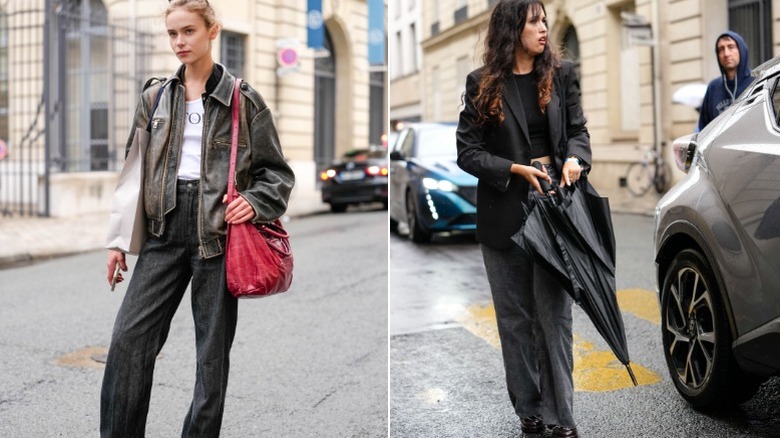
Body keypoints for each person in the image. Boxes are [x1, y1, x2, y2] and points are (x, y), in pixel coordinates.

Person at [101, 1, 295, 436]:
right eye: (172, 34)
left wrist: (254, 200)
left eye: (188, 31)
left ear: (212, 31)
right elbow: (133, 173)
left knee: (210, 358)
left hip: (218, 236)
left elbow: (277, 174)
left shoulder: (243, 101)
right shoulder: (154, 97)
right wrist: (117, 241)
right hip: (162, 232)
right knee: (129, 343)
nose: (180, 42)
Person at [456, 1, 591, 437]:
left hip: (555, 207)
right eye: (534, 20)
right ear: (512, 27)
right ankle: (530, 408)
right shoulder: (482, 84)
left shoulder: (562, 74)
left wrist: (574, 160)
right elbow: (467, 152)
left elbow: (578, 132)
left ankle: (560, 416)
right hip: (505, 211)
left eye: (545, 20)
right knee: (515, 319)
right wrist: (514, 169)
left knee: (554, 317)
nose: (544, 28)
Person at [697, 31, 753, 131]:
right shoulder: (713, 87)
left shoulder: (756, 82)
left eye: (731, 47)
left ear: (741, 50)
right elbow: (703, 129)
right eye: (721, 49)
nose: (726, 54)